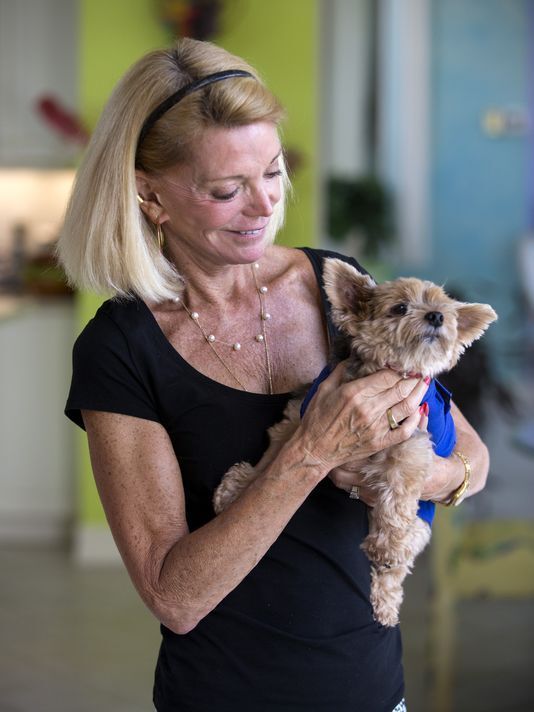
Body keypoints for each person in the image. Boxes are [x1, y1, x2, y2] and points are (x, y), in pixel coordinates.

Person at [59, 38, 489, 712]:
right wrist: (311, 453)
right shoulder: (120, 348)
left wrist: (412, 477)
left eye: (271, 171)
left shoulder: (336, 288)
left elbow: (472, 457)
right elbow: (175, 599)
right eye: (227, 189)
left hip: (376, 692)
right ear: (149, 194)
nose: (264, 204)